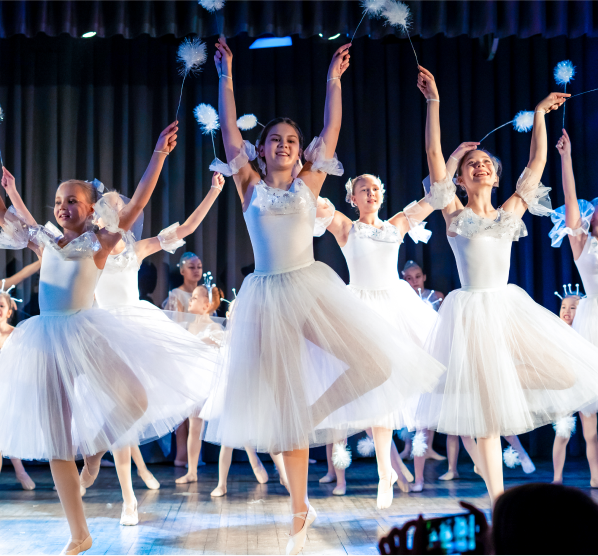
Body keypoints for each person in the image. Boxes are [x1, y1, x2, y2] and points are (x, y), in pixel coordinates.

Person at [204, 38, 443, 556]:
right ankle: (299, 514)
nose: (284, 145)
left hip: (309, 289)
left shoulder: (309, 184)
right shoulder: (248, 185)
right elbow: (228, 132)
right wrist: (226, 76)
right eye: (275, 139)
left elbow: (331, 132)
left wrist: (333, 80)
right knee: (283, 410)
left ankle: (315, 413)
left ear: (300, 151)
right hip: (266, 298)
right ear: (261, 150)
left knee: (375, 365)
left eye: (292, 140)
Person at [0, 122, 215, 556]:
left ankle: (97, 447)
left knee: (134, 399)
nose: (63, 207)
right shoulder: (45, 242)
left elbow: (137, 204)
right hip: (45, 340)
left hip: (85, 333)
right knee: (58, 441)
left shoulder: (101, 242)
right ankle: (79, 533)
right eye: (58, 202)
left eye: (72, 201)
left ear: (91, 208)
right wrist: (10, 192)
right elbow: (13, 217)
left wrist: (158, 155)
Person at [416, 64, 598, 505]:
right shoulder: (454, 213)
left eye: (486, 164)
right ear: (461, 179)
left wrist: (539, 114)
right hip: (470, 313)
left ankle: (493, 430)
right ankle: (499, 500)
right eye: (472, 165)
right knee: (486, 419)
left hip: (506, 309)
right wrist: (433, 101)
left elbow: (536, 163)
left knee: (565, 374)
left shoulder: (510, 211)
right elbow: (435, 157)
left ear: (496, 177)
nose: (479, 167)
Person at [90, 172, 225, 525]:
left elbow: (187, 228)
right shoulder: (89, 249)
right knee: (119, 416)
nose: (116, 210)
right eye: (108, 206)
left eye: (119, 206)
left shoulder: (136, 249)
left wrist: (213, 191)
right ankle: (128, 498)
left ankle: (128, 482)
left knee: (130, 410)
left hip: (137, 330)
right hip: (104, 332)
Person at [314, 172, 443, 495]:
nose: (371, 193)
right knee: (371, 386)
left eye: (375, 189)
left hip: (395, 306)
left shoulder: (396, 224)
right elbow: (311, 200)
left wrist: (450, 160)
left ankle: (389, 471)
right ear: (352, 198)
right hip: (359, 309)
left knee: (389, 390)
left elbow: (435, 198)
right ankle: (387, 470)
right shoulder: (347, 227)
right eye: (363, 189)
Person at [548, 128, 598, 488]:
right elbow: (570, 200)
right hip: (592, 322)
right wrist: (565, 158)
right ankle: (581, 477)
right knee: (586, 412)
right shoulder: (583, 244)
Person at [0, 257, 41, 491]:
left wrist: (42, 260)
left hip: (9, 387)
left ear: (9, 311)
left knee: (7, 427)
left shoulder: (17, 334)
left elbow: (21, 275)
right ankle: (20, 471)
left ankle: (20, 470)